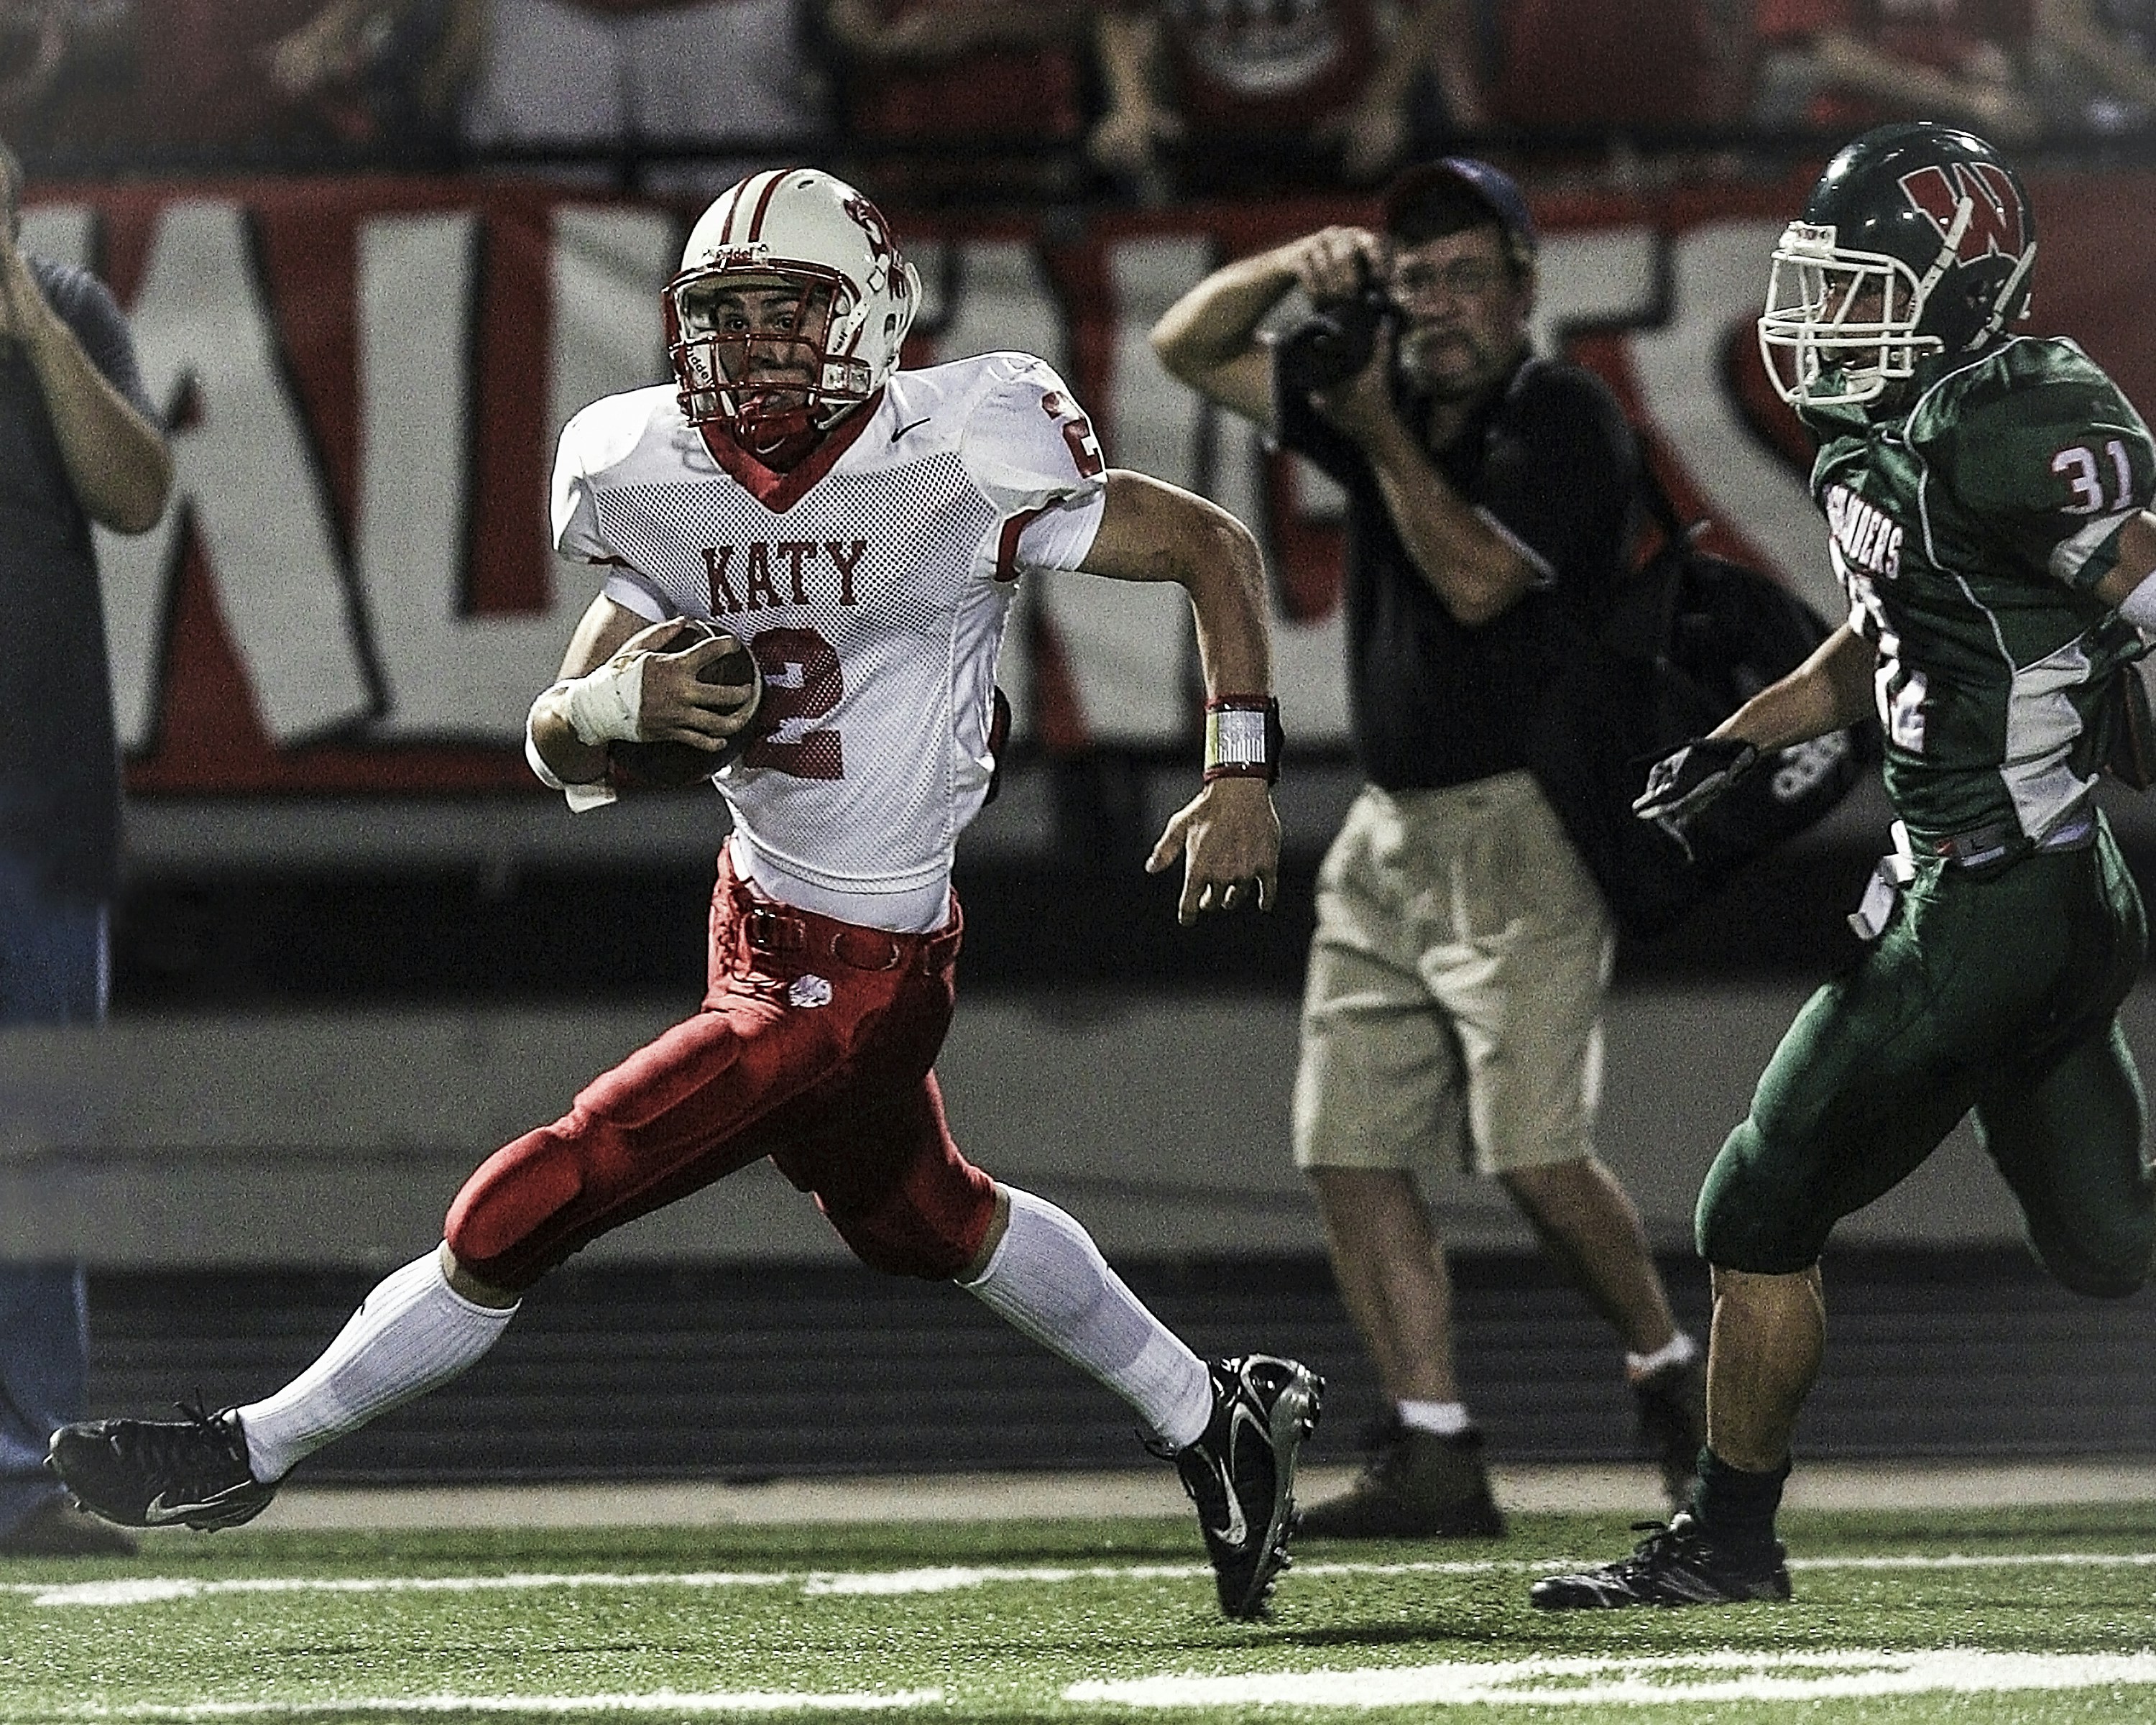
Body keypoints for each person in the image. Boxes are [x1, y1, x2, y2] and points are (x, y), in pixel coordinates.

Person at [47, 166, 1323, 1622]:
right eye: (727, 317)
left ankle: (246, 1450)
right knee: (919, 1216)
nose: (759, 348)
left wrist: (1239, 773)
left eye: (794, 315)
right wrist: (608, 712)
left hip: (869, 968)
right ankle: (1211, 1418)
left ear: (876, 310)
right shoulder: (642, 467)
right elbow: (560, 730)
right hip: (753, 915)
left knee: (551, 1186)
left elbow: (1210, 547)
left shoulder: (964, 447)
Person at [1532, 121, 2156, 1611]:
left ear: (1963, 293)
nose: (1825, 322)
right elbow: (1897, 624)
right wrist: (1755, 732)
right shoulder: (1889, 433)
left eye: (1866, 289)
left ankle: (1725, 1542)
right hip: (2059, 901)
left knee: (1756, 1210)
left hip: (1985, 896)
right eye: (1820, 284)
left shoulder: (2014, 413)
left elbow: (2143, 575)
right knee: (2110, 1247)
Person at [1150, 157, 1705, 1540]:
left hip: (1527, 829)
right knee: (1347, 1143)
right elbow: (1188, 341)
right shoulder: (1380, 396)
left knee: (1531, 1155)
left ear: (1525, 288)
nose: (1441, 304)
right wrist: (1298, 262)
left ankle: (1670, 1368)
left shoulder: (1564, 415)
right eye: (1416, 279)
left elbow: (1474, 581)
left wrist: (1376, 432)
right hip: (1389, 831)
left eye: (1468, 276)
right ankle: (1438, 1449)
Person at [0, 137, 172, 1558]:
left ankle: (17, 1474)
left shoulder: (67, 306)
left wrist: (30, 317)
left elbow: (134, 493)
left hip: (37, 810)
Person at [1089, 0, 1486, 198]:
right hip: (1211, 154)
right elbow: (1114, 10)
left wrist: (1382, 103)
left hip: (1339, 152)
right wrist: (1132, 105)